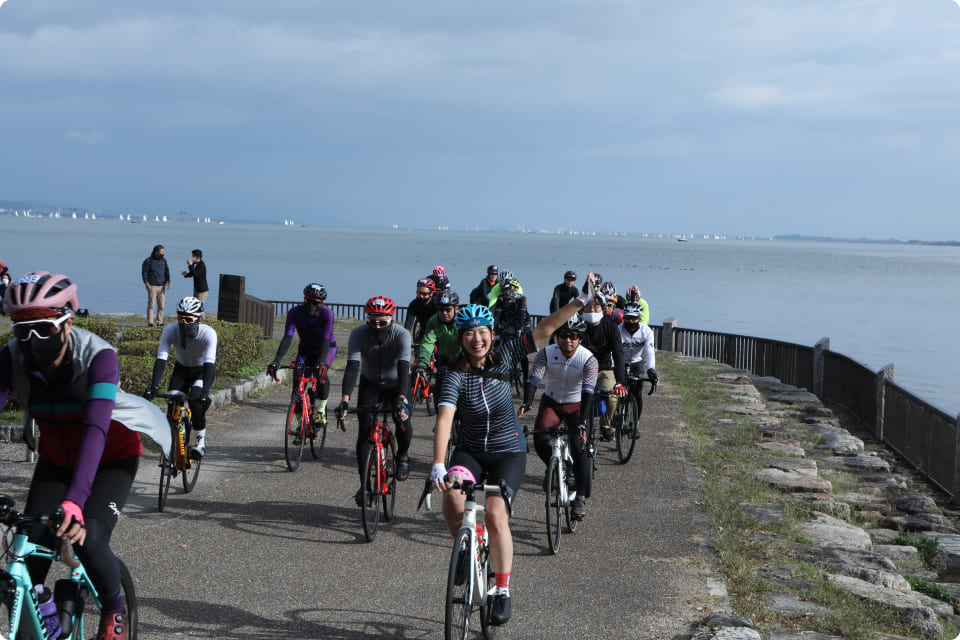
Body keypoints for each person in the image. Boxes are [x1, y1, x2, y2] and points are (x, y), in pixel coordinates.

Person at [0, 271, 168, 640]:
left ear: (67, 322)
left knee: (89, 540)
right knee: (27, 562)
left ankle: (113, 610)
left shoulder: (98, 357)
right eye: (20, 328)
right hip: (56, 461)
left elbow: (96, 430)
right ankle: (47, 620)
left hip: (111, 457)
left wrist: (75, 502)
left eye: (41, 328)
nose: (30, 341)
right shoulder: (11, 357)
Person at [429, 274, 597, 626]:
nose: (477, 339)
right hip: (471, 451)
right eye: (470, 334)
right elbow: (445, 419)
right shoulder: (454, 374)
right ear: (462, 339)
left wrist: (580, 302)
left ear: (491, 333)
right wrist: (438, 465)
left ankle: (502, 590)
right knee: (454, 498)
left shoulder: (506, 355)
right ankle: (463, 547)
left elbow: (548, 326)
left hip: (508, 452)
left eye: (483, 332)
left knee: (494, 515)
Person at [336, 296, 413, 504]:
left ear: (392, 319)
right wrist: (345, 400)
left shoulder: (402, 335)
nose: (377, 326)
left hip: (397, 384)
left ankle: (403, 455)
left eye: (382, 322)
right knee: (364, 433)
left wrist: (402, 399)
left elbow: (404, 367)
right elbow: (352, 368)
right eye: (372, 321)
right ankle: (365, 486)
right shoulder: (358, 334)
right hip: (370, 383)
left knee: (403, 422)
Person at [521, 312, 597, 519]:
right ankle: (553, 467)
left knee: (579, 448)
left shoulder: (588, 359)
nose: (568, 340)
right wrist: (527, 402)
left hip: (577, 405)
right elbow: (534, 379)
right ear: (557, 336)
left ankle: (580, 497)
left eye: (573, 336)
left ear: (580, 338)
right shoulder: (545, 353)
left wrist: (582, 423)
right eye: (564, 335)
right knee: (540, 438)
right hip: (552, 403)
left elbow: (589, 393)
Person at [145, 296, 217, 458]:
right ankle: (173, 442)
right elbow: (161, 358)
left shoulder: (208, 333)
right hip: (181, 370)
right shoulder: (170, 330)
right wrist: (154, 387)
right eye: (180, 318)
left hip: (200, 371)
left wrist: (205, 392)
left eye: (188, 318)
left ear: (199, 319)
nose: (183, 323)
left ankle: (200, 443)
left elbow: (209, 365)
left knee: (196, 403)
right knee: (172, 409)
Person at [267, 284, 336, 426]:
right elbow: (287, 337)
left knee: (321, 374)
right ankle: (300, 426)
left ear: (321, 303)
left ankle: (321, 411)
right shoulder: (295, 312)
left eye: (315, 302)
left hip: (325, 348)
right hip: (305, 351)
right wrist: (276, 360)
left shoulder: (327, 314)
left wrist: (322, 362)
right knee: (296, 390)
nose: (311, 305)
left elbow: (325, 339)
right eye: (307, 301)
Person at [580, 289, 627, 442]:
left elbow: (618, 355)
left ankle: (605, 425)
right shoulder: (578, 327)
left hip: (604, 370)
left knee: (613, 398)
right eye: (588, 307)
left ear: (602, 309)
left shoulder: (611, 329)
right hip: (581, 370)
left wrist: (620, 382)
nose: (592, 310)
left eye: (596, 307)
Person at [414, 290, 460, 407]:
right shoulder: (434, 321)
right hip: (445, 358)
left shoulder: (462, 320)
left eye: (448, 310)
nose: (444, 313)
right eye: (440, 310)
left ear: (456, 309)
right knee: (440, 396)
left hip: (463, 359)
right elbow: (427, 343)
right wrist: (422, 363)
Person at [491, 279, 530, 384]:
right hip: (507, 323)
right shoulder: (501, 299)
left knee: (522, 351)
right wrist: (494, 329)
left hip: (522, 323)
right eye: (506, 289)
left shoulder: (522, 299)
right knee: (499, 345)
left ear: (516, 289)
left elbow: (521, 316)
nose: (508, 291)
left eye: (510, 289)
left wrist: (520, 329)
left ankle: (527, 377)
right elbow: (497, 316)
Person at [619, 303, 659, 396]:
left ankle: (637, 408)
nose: (631, 321)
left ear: (639, 319)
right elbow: (612, 351)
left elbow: (649, 352)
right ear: (623, 318)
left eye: (634, 318)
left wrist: (651, 369)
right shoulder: (618, 330)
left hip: (637, 361)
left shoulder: (646, 331)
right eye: (628, 318)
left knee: (637, 393)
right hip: (620, 362)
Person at [141, 245, 170, 327]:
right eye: (161, 253)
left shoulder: (164, 261)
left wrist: (168, 281)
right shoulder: (148, 261)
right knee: (151, 305)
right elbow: (144, 273)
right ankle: (150, 322)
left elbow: (167, 271)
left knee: (161, 305)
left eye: (163, 253)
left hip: (162, 286)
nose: (162, 254)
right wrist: (146, 283)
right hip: (152, 286)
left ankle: (159, 321)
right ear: (156, 252)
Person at [404, 277, 438, 346]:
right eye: (419, 293)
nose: (421, 296)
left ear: (431, 293)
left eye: (425, 294)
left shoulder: (436, 304)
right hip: (423, 332)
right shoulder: (414, 304)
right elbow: (408, 325)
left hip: (437, 331)